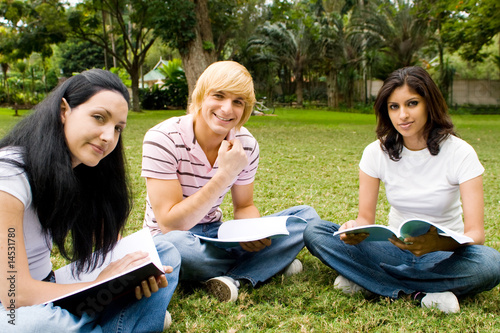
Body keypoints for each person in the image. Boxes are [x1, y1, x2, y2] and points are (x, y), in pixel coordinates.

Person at [304, 66, 500, 314]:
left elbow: (475, 234)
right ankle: (422, 293)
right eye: (393, 107)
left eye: (412, 103)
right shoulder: (376, 152)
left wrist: (438, 242)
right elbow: (365, 219)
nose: (402, 115)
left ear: (429, 103)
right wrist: (354, 230)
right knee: (316, 231)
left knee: (491, 263)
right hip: (392, 248)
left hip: (443, 255)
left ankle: (371, 283)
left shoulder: (460, 153)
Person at [0, 69, 180, 332]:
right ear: (64, 110)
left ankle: (102, 323)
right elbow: (14, 294)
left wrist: (130, 274)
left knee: (165, 253)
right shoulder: (10, 173)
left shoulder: (85, 169)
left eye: (117, 128)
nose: (109, 137)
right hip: (14, 304)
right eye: (99, 118)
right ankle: (125, 322)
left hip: (52, 287)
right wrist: (99, 286)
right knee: (37, 324)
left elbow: (114, 246)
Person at [142, 61, 320, 302]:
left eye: (238, 101)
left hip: (217, 232)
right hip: (175, 238)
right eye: (219, 96)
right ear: (201, 97)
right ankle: (267, 264)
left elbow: (244, 206)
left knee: (305, 217)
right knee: (176, 248)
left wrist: (253, 233)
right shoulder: (162, 138)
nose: (227, 109)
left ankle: (232, 276)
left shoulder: (246, 144)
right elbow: (171, 225)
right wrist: (225, 173)